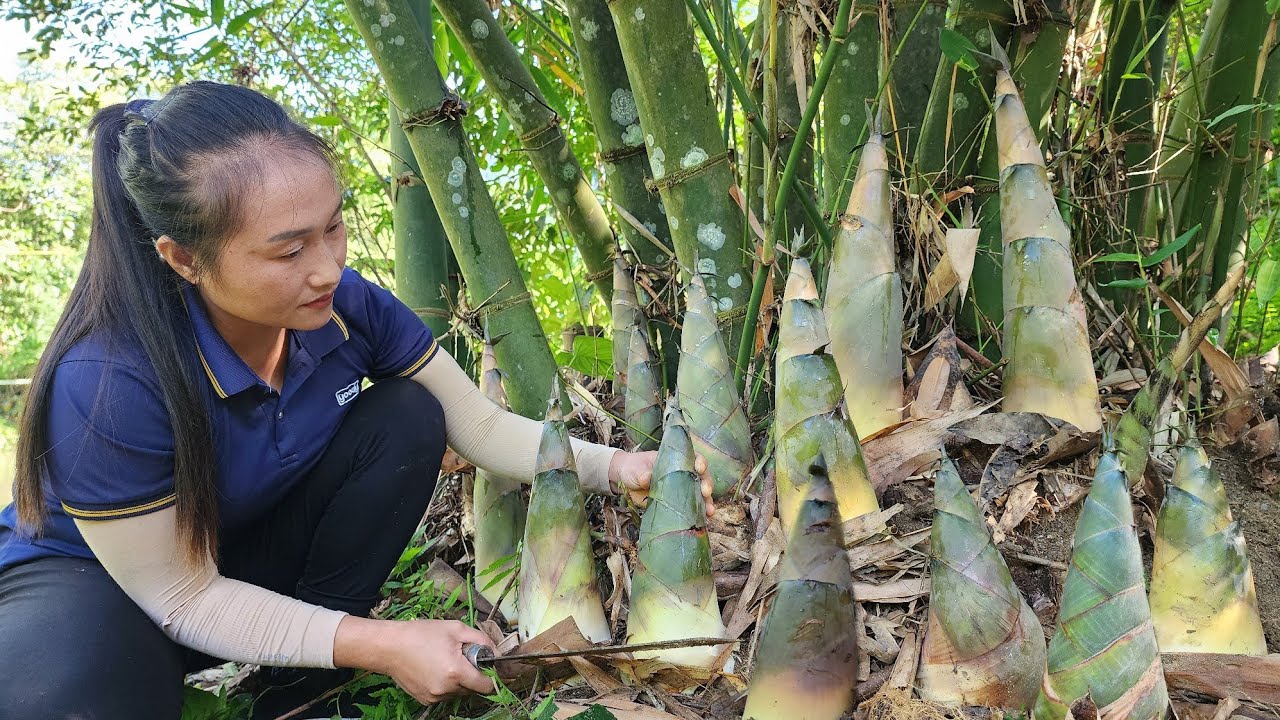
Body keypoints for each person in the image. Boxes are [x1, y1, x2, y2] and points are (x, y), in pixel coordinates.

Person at [0, 81, 714, 720]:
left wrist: (622, 468)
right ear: (183, 258)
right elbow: (182, 596)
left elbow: (480, 423)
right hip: (106, 590)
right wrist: (383, 643)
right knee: (73, 703)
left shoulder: (344, 307)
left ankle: (296, 688)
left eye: (333, 227)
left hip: (235, 558)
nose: (328, 266)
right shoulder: (109, 381)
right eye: (288, 251)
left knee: (407, 413)